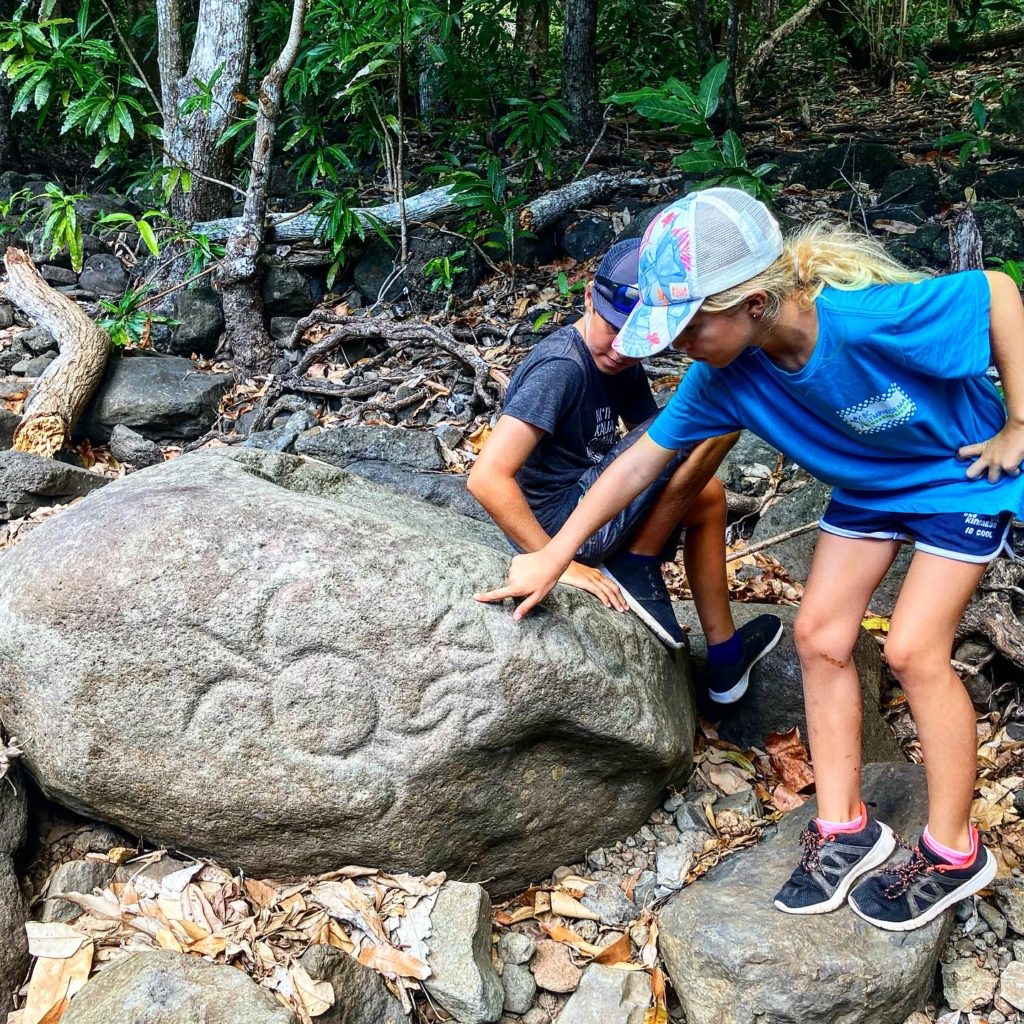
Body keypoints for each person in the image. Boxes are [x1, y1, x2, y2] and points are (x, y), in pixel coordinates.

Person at [475, 186, 1024, 931]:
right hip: (870, 485)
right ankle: (844, 828)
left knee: (912, 650)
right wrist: (555, 555)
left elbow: (995, 292)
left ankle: (955, 851)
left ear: (754, 305)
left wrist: (1019, 421)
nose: (675, 346)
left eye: (689, 326)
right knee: (820, 639)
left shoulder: (860, 320)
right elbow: (639, 466)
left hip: (957, 474)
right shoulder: (720, 374)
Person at [467, 237, 783, 704]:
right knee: (718, 415)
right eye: (612, 329)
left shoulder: (622, 363)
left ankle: (724, 656)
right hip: (561, 525)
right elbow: (486, 477)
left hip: (589, 506)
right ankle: (635, 563)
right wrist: (561, 562)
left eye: (637, 340)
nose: (620, 349)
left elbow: (664, 461)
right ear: (589, 297)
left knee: (709, 495)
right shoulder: (561, 367)